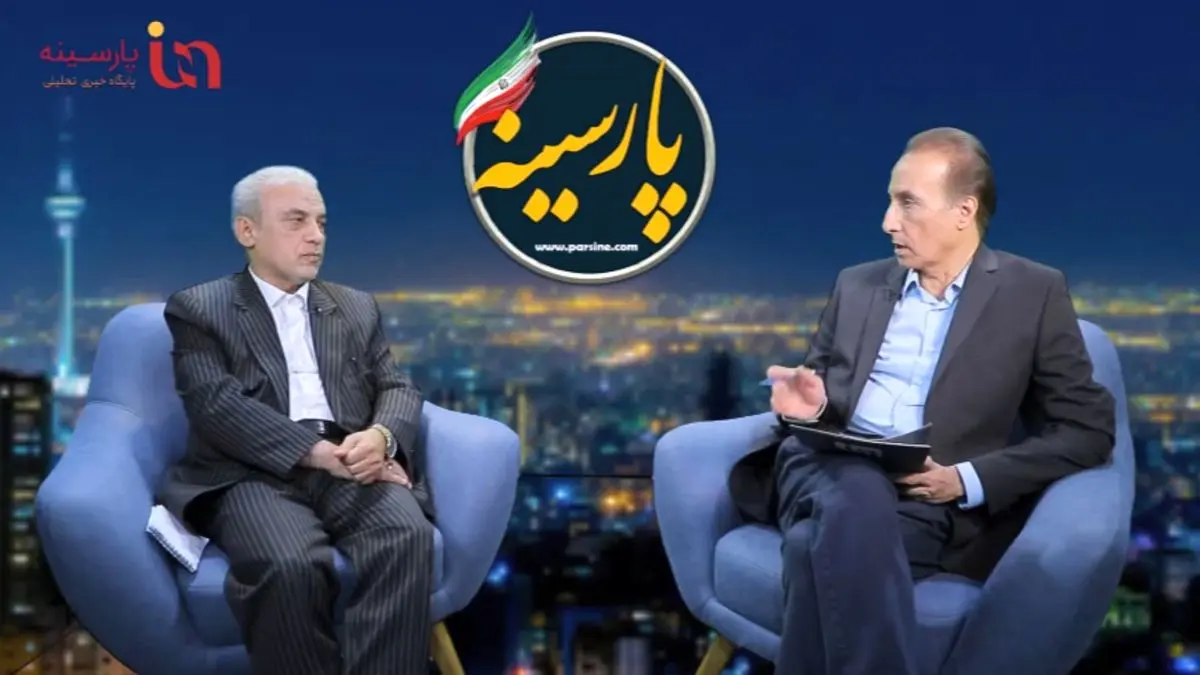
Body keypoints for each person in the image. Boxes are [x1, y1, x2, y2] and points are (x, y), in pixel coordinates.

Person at [728, 128, 1116, 675]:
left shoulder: (1033, 293)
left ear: (964, 211)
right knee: (859, 488)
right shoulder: (857, 285)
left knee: (808, 547)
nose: (888, 222)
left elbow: (1089, 430)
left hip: (924, 503)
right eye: (891, 202)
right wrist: (813, 411)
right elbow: (822, 395)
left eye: (907, 203)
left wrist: (966, 479)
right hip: (821, 468)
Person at [157, 166, 434, 675]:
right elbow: (216, 405)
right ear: (248, 231)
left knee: (405, 536)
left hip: (350, 460)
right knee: (290, 565)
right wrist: (318, 455)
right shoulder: (199, 308)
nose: (316, 236)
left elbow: (396, 387)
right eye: (297, 221)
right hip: (251, 473)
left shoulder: (355, 307)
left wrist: (381, 437)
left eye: (322, 223)